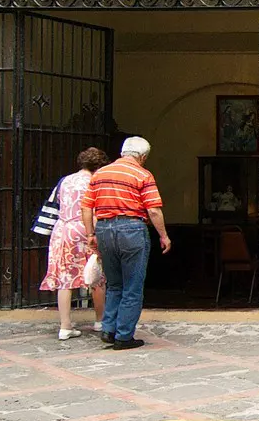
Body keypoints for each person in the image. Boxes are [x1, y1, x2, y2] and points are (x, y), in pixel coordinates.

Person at [82, 137, 171, 350]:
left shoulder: (100, 174)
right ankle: (124, 336)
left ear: (123, 152)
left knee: (114, 284)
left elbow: (86, 207)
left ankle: (108, 329)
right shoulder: (142, 174)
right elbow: (153, 209)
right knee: (132, 286)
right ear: (142, 156)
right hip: (132, 229)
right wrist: (164, 236)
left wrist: (90, 234)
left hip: (104, 229)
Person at [40, 148, 108, 341]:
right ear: (99, 165)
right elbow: (96, 209)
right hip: (86, 229)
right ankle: (99, 320)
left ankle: (65, 326)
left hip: (64, 230)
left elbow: (55, 205)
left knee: (65, 278)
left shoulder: (65, 181)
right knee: (96, 276)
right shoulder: (95, 182)